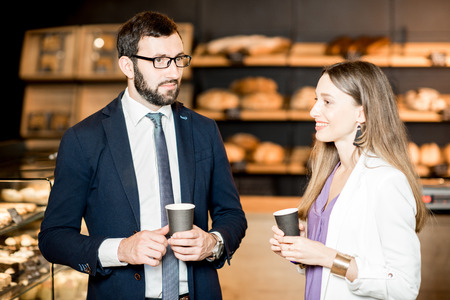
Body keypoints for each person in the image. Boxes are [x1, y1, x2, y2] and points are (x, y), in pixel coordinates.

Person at [38, 11, 247, 300]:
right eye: (159, 61)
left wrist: (214, 242)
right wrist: (121, 250)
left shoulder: (204, 130)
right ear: (127, 65)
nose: (173, 72)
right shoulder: (83, 139)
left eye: (178, 59)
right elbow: (53, 238)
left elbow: (232, 214)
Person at [269, 61, 428, 300]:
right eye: (315, 100)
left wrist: (326, 256)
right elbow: (329, 268)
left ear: (361, 112)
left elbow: (404, 286)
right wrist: (303, 250)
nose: (313, 111)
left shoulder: (386, 181)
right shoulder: (329, 174)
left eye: (327, 102)